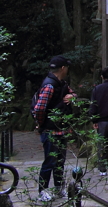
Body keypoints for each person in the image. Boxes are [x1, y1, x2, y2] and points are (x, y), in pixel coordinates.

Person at [32, 55, 76, 201]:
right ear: (63, 68)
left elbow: (73, 93)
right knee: (49, 162)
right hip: (50, 130)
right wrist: (41, 124)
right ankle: (42, 191)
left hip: (61, 129)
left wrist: (71, 96)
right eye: (67, 67)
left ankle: (58, 189)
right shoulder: (50, 85)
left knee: (59, 162)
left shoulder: (61, 83)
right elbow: (39, 108)